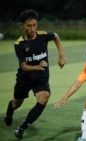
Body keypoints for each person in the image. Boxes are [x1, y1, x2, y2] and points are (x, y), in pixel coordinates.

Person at [4, 9, 66, 139]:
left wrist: (61, 56)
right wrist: (38, 66)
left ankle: (22, 128)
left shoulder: (43, 35)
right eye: (29, 26)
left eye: (34, 25)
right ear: (22, 26)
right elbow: (24, 67)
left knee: (44, 97)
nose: (33, 29)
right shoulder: (19, 44)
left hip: (41, 78)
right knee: (17, 103)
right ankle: (10, 110)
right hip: (25, 78)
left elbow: (55, 36)